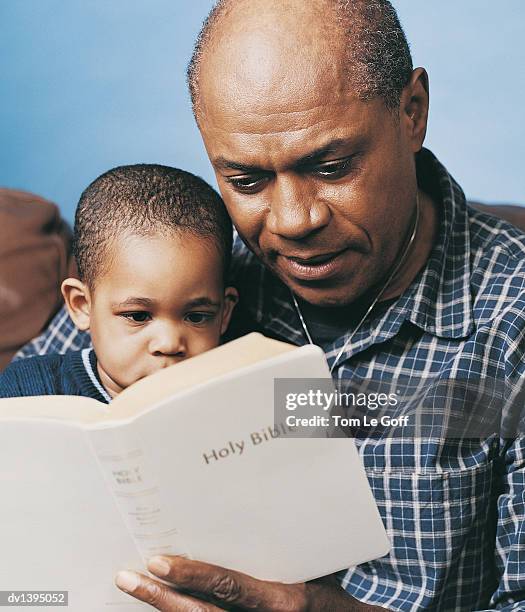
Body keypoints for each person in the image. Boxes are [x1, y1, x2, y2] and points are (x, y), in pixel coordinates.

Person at [14, 1, 525, 610]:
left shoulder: (508, 322)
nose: (291, 223)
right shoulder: (202, 276)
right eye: (247, 182)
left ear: (412, 113)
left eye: (332, 168)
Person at [1, 164, 238, 400]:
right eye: (138, 316)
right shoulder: (25, 388)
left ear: (224, 313)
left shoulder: (251, 383)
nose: (168, 344)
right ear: (81, 305)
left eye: (197, 317)